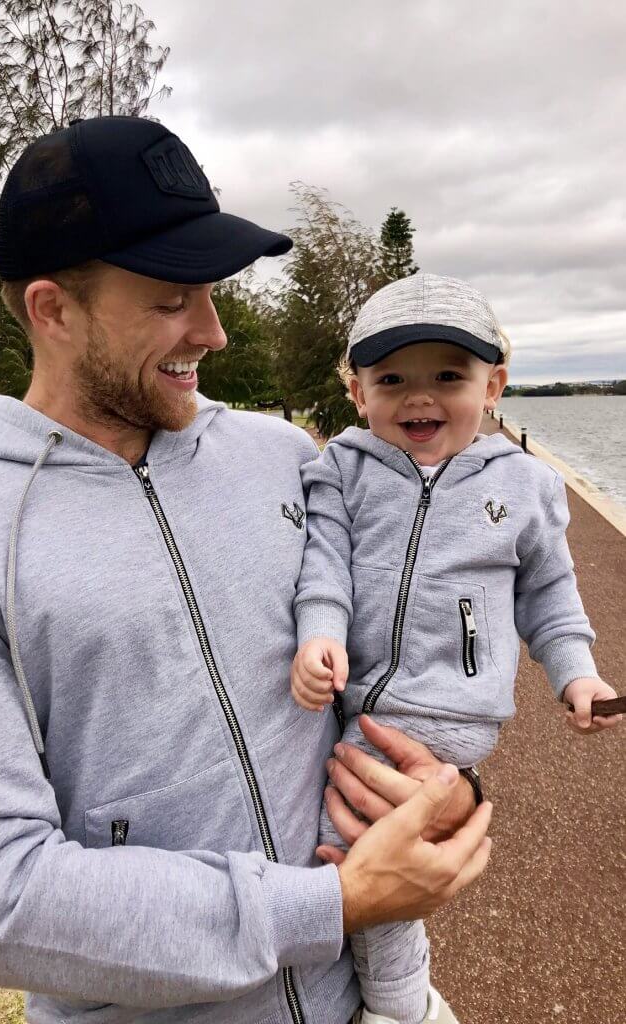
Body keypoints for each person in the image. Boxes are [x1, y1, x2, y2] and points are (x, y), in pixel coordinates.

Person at [0, 118, 491, 1024]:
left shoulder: (285, 454)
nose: (212, 332)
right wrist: (333, 904)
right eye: (172, 299)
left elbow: (404, 644)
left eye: (208, 293)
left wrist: (441, 781)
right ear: (52, 310)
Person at [291, 273, 623, 1024]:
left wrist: (576, 675)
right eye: (391, 379)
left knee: (350, 862)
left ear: (493, 384)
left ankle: (397, 1008)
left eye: (448, 376)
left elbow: (550, 593)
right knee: (345, 860)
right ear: (356, 392)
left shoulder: (527, 485)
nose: (419, 398)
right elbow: (321, 565)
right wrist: (319, 631)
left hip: (443, 708)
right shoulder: (341, 470)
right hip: (357, 701)